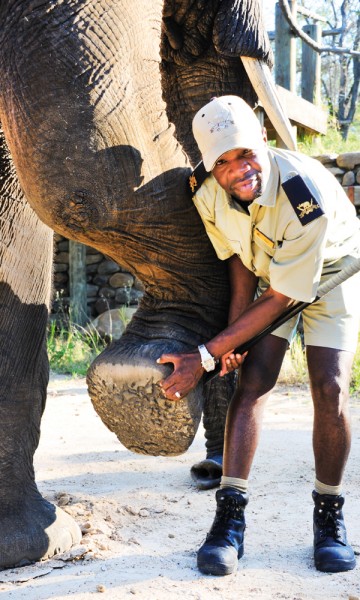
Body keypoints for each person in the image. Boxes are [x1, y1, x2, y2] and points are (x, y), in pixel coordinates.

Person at [157, 95, 360, 576]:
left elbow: (284, 299)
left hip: (333, 269)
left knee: (329, 388)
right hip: (273, 275)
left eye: (245, 153)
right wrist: (233, 341)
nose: (238, 168)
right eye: (223, 161)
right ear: (211, 166)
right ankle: (228, 522)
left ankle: (329, 519)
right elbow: (239, 264)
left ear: (263, 142)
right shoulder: (207, 193)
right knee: (252, 382)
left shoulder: (303, 199)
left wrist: (206, 355)